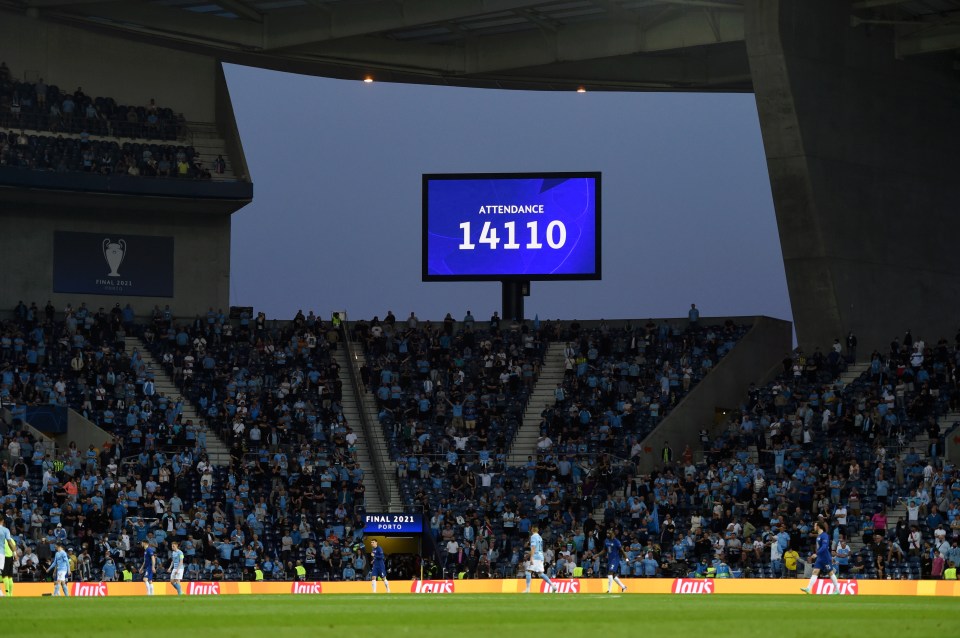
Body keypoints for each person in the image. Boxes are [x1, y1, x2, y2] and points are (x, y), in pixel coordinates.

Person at [801, 521, 840, 595]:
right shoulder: (818, 536)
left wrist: (816, 553)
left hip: (825, 557)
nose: (814, 527)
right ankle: (808, 589)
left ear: (818, 526)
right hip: (820, 558)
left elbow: (824, 547)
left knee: (830, 573)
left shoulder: (824, 535)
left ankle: (837, 589)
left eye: (815, 526)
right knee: (815, 572)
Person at [528, 526, 557, 592]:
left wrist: (531, 557)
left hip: (536, 556)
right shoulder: (540, 537)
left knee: (528, 572)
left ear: (532, 530)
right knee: (540, 573)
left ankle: (527, 589)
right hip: (540, 556)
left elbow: (533, 547)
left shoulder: (533, 537)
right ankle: (552, 585)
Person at [601, 529, 628, 593]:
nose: (607, 534)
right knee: (613, 576)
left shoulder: (616, 541)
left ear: (612, 534)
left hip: (615, 559)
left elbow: (622, 550)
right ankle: (624, 587)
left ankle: (609, 590)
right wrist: (597, 555)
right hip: (610, 559)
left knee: (610, 573)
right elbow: (604, 550)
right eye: (607, 533)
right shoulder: (606, 540)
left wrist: (626, 559)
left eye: (609, 533)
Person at [0, 517, 13, 596]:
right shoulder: (5, 530)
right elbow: (10, 542)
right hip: (1, 554)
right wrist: (14, 552)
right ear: (2, 521)